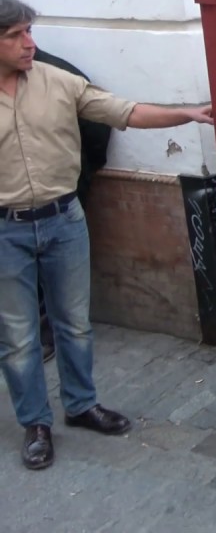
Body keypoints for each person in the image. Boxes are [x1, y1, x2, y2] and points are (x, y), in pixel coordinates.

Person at [0, 0, 212, 471]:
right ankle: (35, 424)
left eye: (29, 31)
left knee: (74, 323)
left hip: (64, 221)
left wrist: (189, 113)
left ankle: (80, 405)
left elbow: (125, 112)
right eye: (15, 35)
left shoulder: (59, 81)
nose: (29, 43)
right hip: (5, 230)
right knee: (17, 336)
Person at [31, 49, 112, 363]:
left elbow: (101, 123)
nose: (26, 41)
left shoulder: (58, 74)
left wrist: (83, 170)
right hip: (11, 203)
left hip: (61, 195)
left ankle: (50, 329)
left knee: (55, 274)